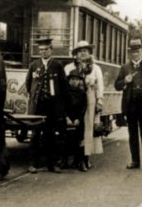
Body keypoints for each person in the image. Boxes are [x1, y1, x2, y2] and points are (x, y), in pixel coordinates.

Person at [25, 38, 69, 173]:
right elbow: (28, 84)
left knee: (50, 135)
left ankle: (52, 164)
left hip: (52, 106)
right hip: (37, 106)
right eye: (41, 50)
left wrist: (61, 107)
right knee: (35, 135)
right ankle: (33, 164)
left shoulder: (57, 65)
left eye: (46, 50)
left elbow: (63, 87)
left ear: (51, 50)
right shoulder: (34, 65)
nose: (43, 52)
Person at [114, 39, 142, 171]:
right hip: (131, 105)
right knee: (132, 134)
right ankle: (135, 161)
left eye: (137, 51)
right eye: (133, 52)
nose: (135, 54)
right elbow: (117, 86)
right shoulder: (125, 68)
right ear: (130, 53)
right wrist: (125, 81)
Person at [64, 40, 104, 170]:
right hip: (73, 102)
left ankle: (84, 160)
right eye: (80, 51)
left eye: (85, 51)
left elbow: (100, 87)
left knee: (87, 129)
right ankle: (71, 158)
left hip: (89, 100)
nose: (82, 54)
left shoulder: (95, 68)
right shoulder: (69, 68)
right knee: (73, 130)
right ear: (75, 54)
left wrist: (99, 101)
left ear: (89, 53)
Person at [63, 69, 87, 171]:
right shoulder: (64, 93)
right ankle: (64, 161)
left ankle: (81, 162)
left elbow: (83, 108)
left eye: (76, 79)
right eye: (72, 79)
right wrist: (66, 118)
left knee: (80, 140)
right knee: (66, 140)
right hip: (67, 119)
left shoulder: (82, 93)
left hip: (78, 120)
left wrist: (79, 119)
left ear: (79, 81)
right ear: (69, 81)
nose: (74, 81)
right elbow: (62, 106)